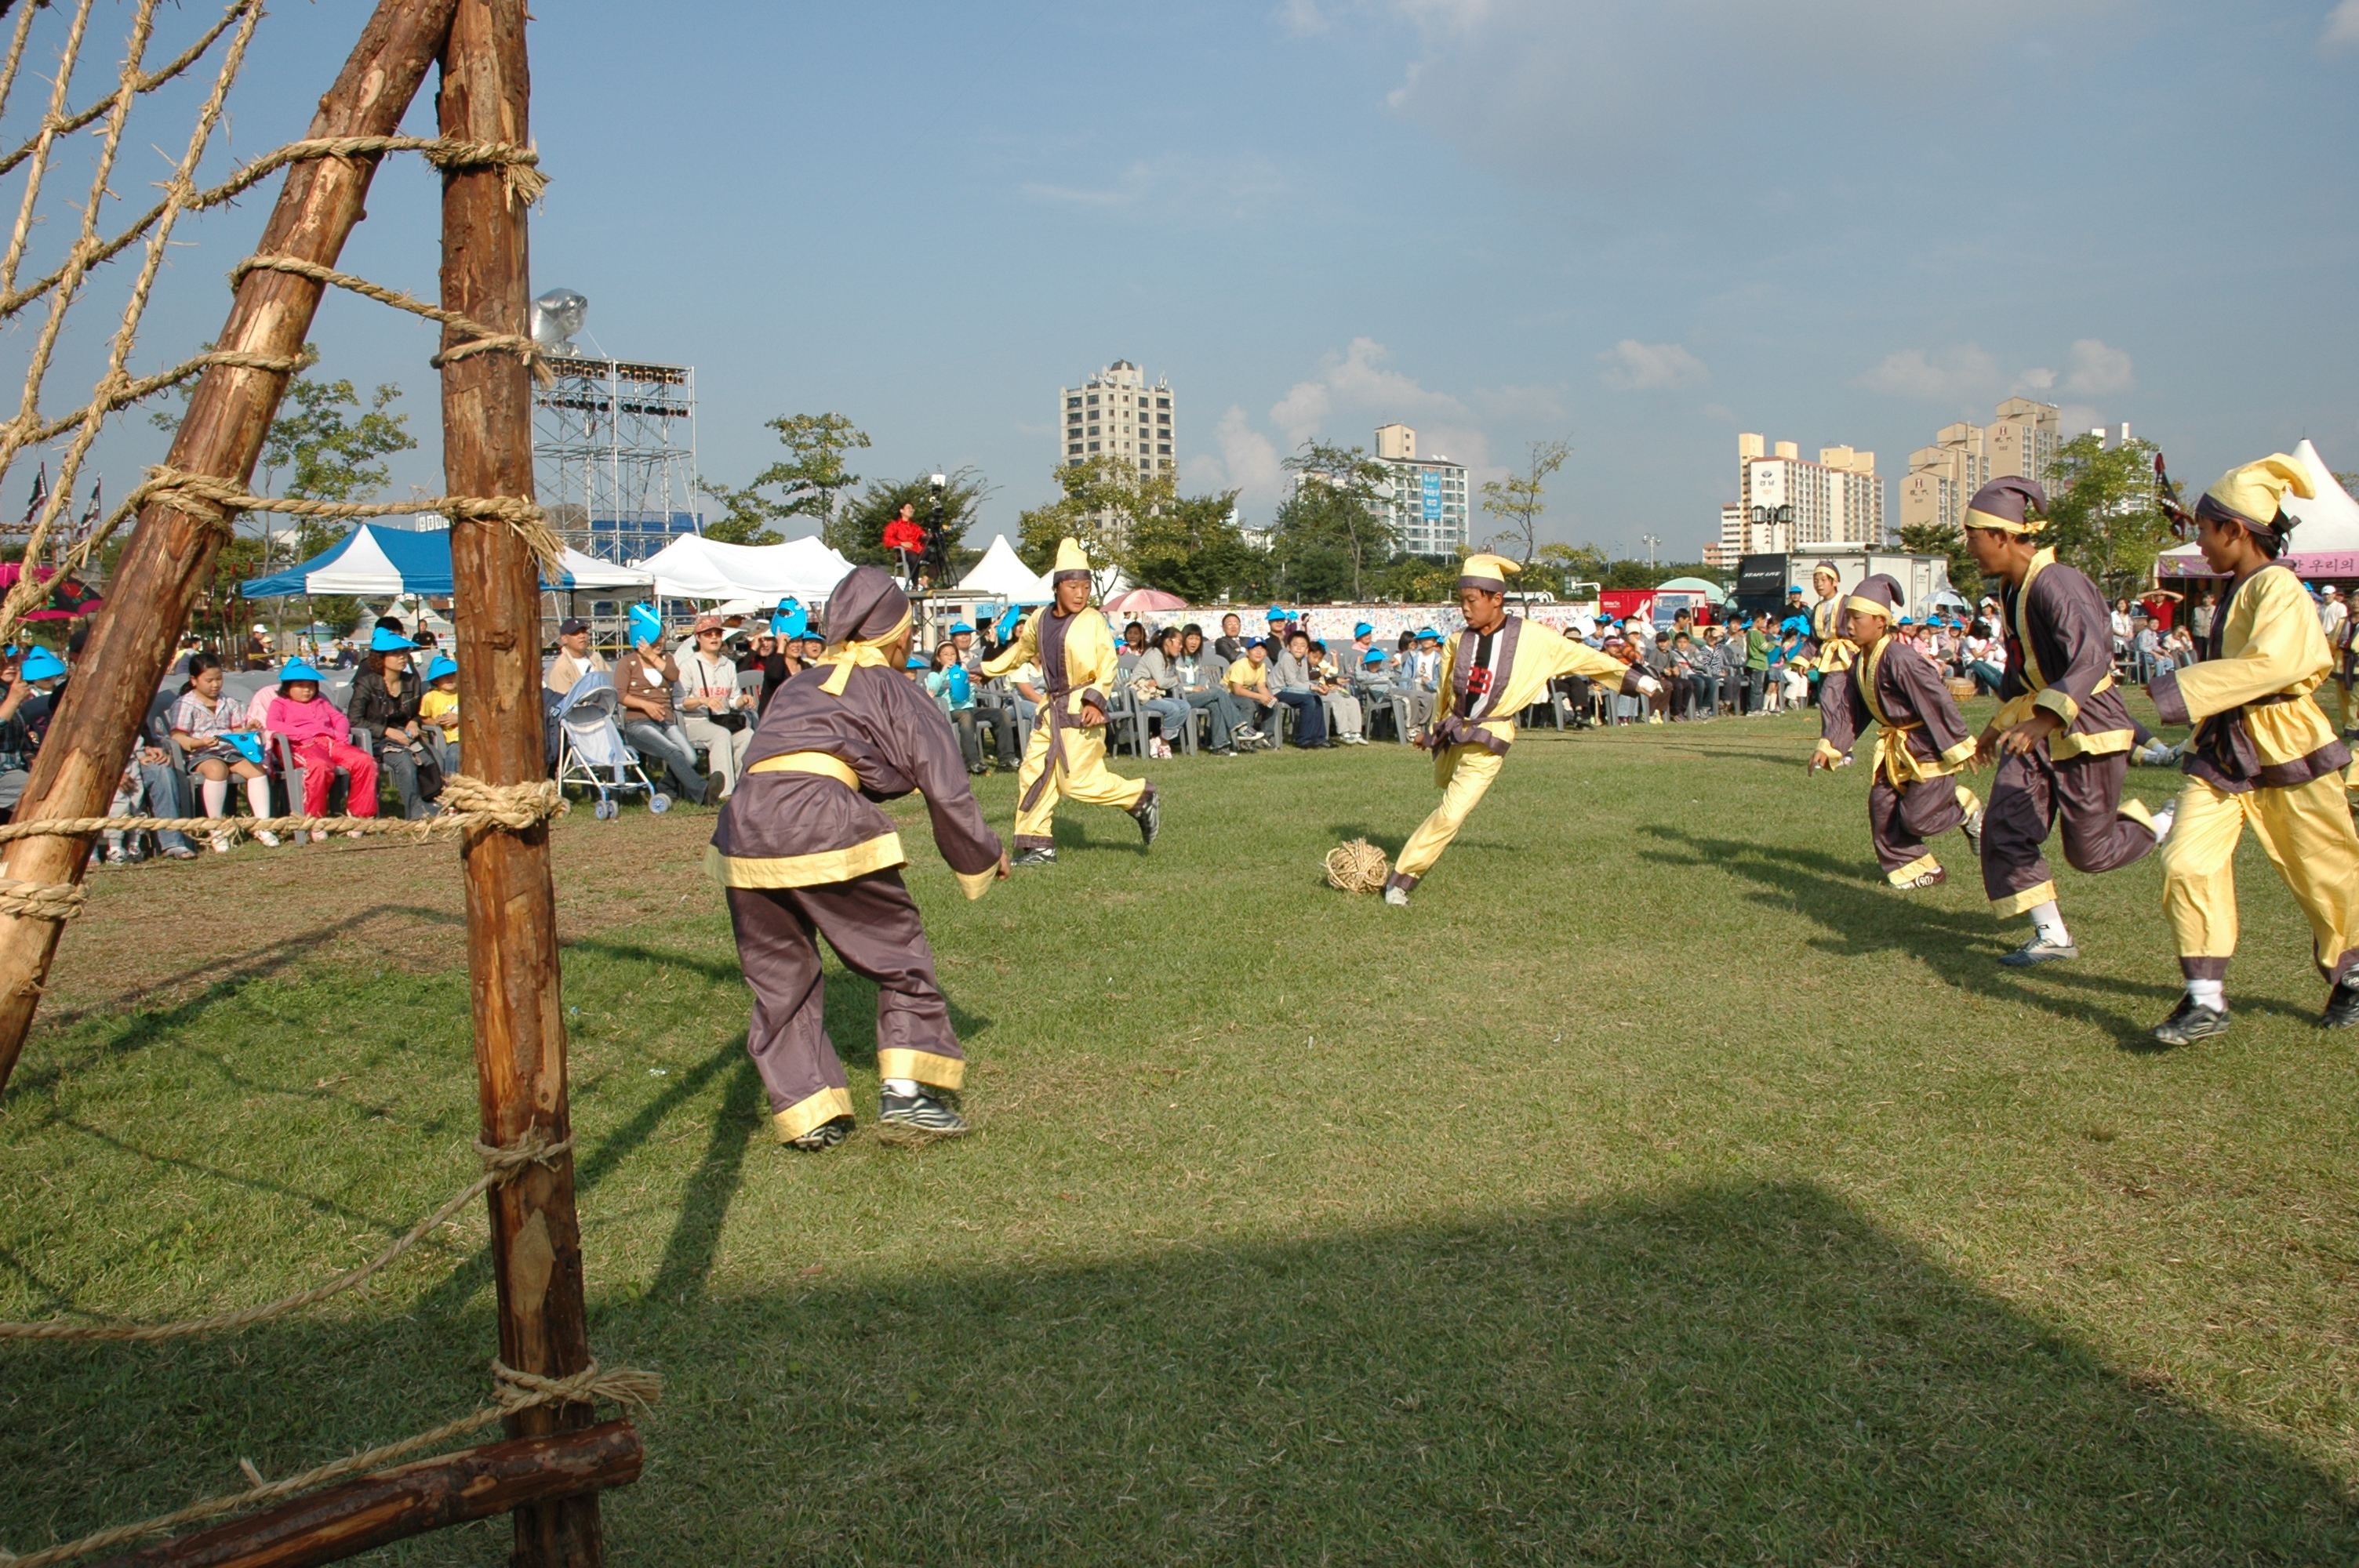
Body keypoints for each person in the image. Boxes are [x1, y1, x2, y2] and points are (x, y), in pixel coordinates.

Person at [711, 567, 1007, 1147]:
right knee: (898, 951)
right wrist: (981, 852)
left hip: (744, 828)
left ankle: (809, 1113)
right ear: (898, 637)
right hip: (818, 820)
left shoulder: (800, 683)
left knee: (781, 975)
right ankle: (908, 1093)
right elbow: (943, 783)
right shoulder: (894, 688)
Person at [2143, 456, 2359, 1044]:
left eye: (2206, 531)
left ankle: (2354, 971)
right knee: (2186, 861)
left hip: (2288, 741)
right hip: (2227, 746)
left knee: (2324, 869)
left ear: (2236, 530)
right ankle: (2205, 998)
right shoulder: (2243, 586)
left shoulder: (2278, 586)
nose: (2200, 544)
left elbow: (2279, 664)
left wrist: (2181, 688)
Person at [1962, 477, 2164, 967]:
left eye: (1972, 537)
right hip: (2037, 726)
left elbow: (2091, 658)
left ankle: (2168, 821)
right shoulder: (2012, 589)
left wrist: (2045, 719)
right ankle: (2052, 934)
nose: (1969, 549)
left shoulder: (2058, 582)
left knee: (2090, 854)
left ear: (2002, 535)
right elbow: (2023, 671)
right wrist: (1997, 727)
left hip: (2086, 727)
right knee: (2004, 827)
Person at [1383, 555, 1657, 906]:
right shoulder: (1455, 642)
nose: (1465, 609)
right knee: (1442, 787)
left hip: (1489, 743)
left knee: (1451, 813)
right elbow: (1445, 696)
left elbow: (1584, 658)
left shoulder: (1534, 638)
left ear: (1496, 599)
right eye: (1461, 601)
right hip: (1453, 736)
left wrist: (1637, 680)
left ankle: (1401, 880)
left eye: (1472, 601)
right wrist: (1431, 734)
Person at [980, 538, 1158, 865]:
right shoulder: (1038, 620)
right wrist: (988, 669)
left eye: (1086, 587)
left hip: (1081, 709)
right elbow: (1021, 652)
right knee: (1034, 774)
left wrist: (1095, 701)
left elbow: (1108, 664)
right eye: (1074, 587)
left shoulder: (1093, 621)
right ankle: (1039, 846)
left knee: (1076, 782)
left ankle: (1139, 796)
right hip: (1050, 710)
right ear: (1058, 587)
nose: (1081, 594)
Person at [1809, 575, 1984, 890]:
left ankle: (1964, 809)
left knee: (1918, 819)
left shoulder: (1901, 658)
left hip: (1924, 748)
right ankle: (1916, 869)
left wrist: (1960, 743)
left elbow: (1936, 700)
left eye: (1856, 618)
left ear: (1880, 621)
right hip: (1895, 750)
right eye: (1847, 617)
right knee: (1882, 808)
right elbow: (1852, 709)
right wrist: (1830, 745)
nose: (1849, 624)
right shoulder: (1861, 660)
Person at [171, 651, 278, 851]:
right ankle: (217, 829)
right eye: (209, 680)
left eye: (219, 679)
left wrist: (248, 730)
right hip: (201, 754)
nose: (215, 685)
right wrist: (197, 742)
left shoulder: (228, 702)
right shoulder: (185, 704)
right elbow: (178, 736)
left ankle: (262, 825)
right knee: (216, 770)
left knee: (257, 769)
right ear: (194, 680)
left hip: (230, 751)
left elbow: (237, 731)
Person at [265, 659, 376, 840]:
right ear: (287, 687)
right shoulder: (280, 704)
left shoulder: (321, 702)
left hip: (330, 741)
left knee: (364, 761)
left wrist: (340, 735)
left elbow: (340, 719)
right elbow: (273, 723)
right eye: (300, 685)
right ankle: (315, 820)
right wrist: (301, 735)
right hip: (299, 745)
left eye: (310, 685)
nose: (307, 690)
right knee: (318, 766)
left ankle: (359, 816)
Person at [617, 604, 711, 803]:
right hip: (639, 723)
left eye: (661, 636)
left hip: (665, 722)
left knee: (690, 757)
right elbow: (620, 695)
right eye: (655, 636)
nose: (659, 641)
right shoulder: (628, 662)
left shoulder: (666, 658)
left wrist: (652, 656)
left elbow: (674, 675)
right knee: (673, 751)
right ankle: (702, 791)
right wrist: (645, 705)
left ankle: (666, 788)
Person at [349, 627, 437, 820]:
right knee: (404, 762)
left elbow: (416, 713)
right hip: (375, 740)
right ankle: (414, 812)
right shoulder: (367, 683)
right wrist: (387, 731)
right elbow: (354, 720)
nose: (402, 658)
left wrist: (414, 722)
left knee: (433, 756)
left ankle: (434, 804)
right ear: (381, 658)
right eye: (395, 654)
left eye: (404, 653)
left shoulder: (411, 681)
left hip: (404, 736)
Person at [676, 612, 755, 799]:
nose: (713, 638)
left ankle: (741, 788)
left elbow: (732, 699)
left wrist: (742, 700)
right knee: (721, 736)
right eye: (708, 634)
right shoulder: (688, 666)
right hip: (695, 720)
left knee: (747, 735)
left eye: (717, 634)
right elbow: (679, 702)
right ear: (698, 638)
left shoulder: (728, 665)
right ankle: (723, 792)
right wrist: (702, 701)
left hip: (722, 719)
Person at [1174, 625, 1247, 754]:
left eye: (1197, 639)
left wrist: (1202, 688)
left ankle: (1220, 746)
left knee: (1216, 705)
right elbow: (1173, 684)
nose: (1194, 642)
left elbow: (1202, 676)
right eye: (1191, 638)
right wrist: (1192, 688)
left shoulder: (1196, 659)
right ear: (1184, 639)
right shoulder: (1176, 659)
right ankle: (1240, 725)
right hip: (1182, 698)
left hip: (1198, 696)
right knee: (1218, 692)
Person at [1129, 626, 1196, 759]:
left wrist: (1164, 681)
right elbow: (1163, 682)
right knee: (1172, 708)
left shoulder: (1167, 657)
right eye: (1179, 642)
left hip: (1154, 696)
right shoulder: (1154, 654)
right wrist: (1175, 679)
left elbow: (1161, 682)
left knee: (1184, 706)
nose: (1181, 646)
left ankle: (1159, 739)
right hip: (1141, 699)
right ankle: (1165, 744)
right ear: (1168, 641)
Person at [418, 653, 461, 775]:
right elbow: (424, 718)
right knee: (455, 754)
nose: (450, 678)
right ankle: (451, 785)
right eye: (444, 676)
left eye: (453, 674)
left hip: (471, 737)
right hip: (450, 740)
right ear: (436, 680)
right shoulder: (430, 697)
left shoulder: (465, 694)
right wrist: (435, 722)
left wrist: (459, 719)